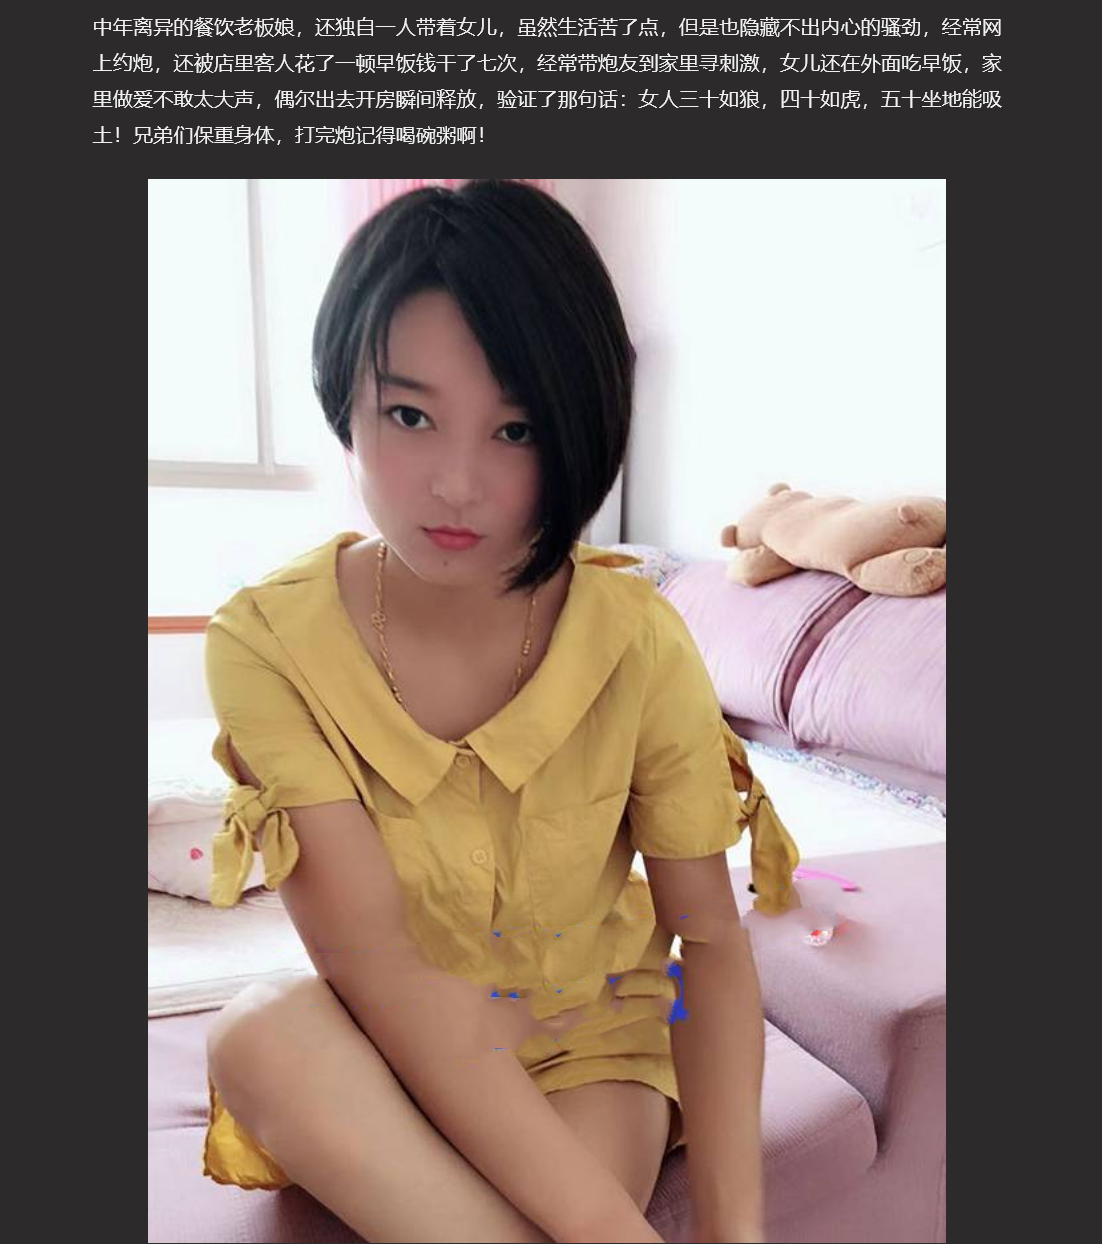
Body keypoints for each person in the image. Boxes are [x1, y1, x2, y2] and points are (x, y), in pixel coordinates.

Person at [201, 179, 797, 1243]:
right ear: (346, 400)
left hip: (588, 1041)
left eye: (516, 428)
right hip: (385, 1041)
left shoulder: (637, 638)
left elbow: (708, 937)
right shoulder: (267, 642)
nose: (457, 484)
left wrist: (733, 1231)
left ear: (578, 430)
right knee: (257, 1033)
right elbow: (377, 963)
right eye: (409, 415)